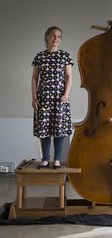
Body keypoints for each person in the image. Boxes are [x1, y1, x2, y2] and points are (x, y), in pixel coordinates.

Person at [31, 26, 73, 169]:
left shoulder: (65, 55)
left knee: (59, 130)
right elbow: (34, 78)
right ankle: (45, 160)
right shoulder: (39, 56)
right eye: (53, 36)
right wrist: (34, 97)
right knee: (44, 129)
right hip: (43, 98)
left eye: (59, 36)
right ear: (47, 37)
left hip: (60, 98)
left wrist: (66, 94)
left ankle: (57, 160)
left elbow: (69, 77)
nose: (56, 39)